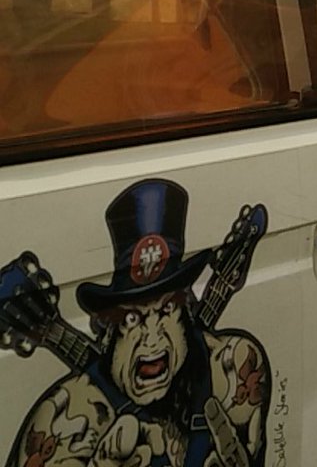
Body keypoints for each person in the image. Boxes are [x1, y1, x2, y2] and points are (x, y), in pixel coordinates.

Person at [7, 178, 269, 467]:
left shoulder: (232, 368)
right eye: (132, 318)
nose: (153, 337)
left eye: (168, 308)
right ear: (109, 325)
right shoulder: (66, 419)